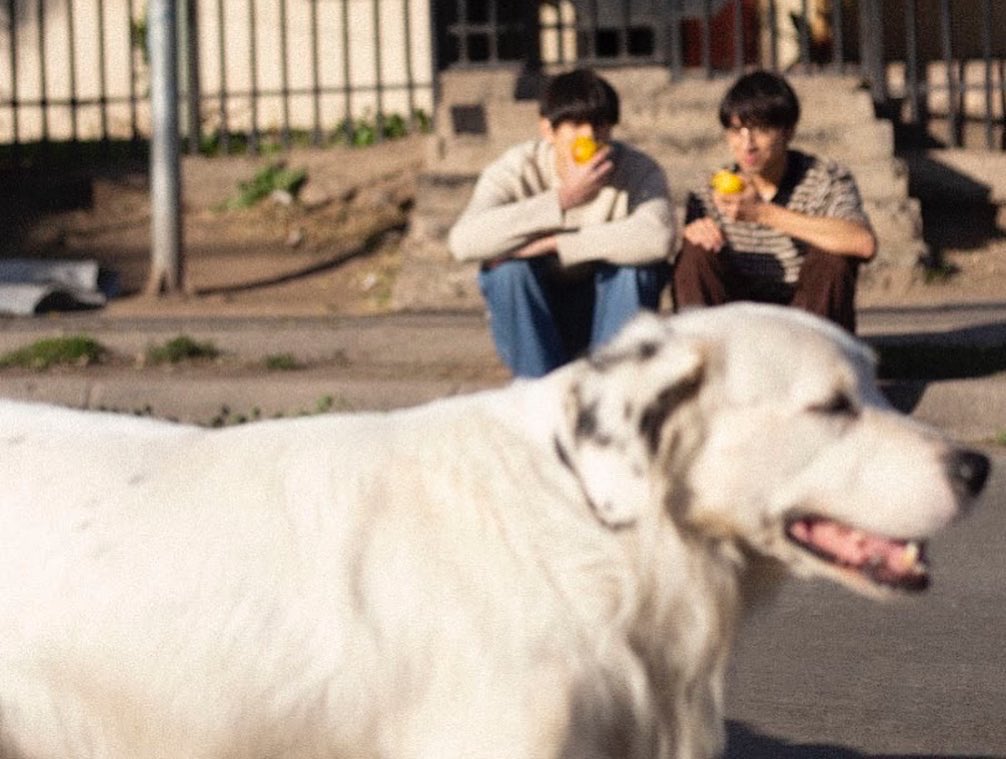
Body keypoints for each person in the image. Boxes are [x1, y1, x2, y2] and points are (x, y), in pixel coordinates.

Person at [447, 68, 674, 378]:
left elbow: (658, 237)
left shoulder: (637, 169)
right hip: (538, 313)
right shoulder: (516, 168)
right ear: (548, 130)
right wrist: (562, 199)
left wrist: (556, 244)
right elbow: (463, 241)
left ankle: (612, 387)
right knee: (507, 271)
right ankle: (538, 393)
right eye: (576, 125)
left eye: (600, 124)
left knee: (636, 269)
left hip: (608, 308)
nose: (590, 136)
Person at [672, 69, 876, 333]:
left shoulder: (824, 179)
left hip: (807, 314)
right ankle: (703, 363)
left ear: (788, 131)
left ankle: (810, 365)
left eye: (761, 130)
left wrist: (762, 213)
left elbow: (863, 243)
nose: (748, 145)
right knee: (694, 253)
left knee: (834, 256)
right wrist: (692, 234)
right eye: (736, 131)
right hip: (735, 320)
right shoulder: (710, 189)